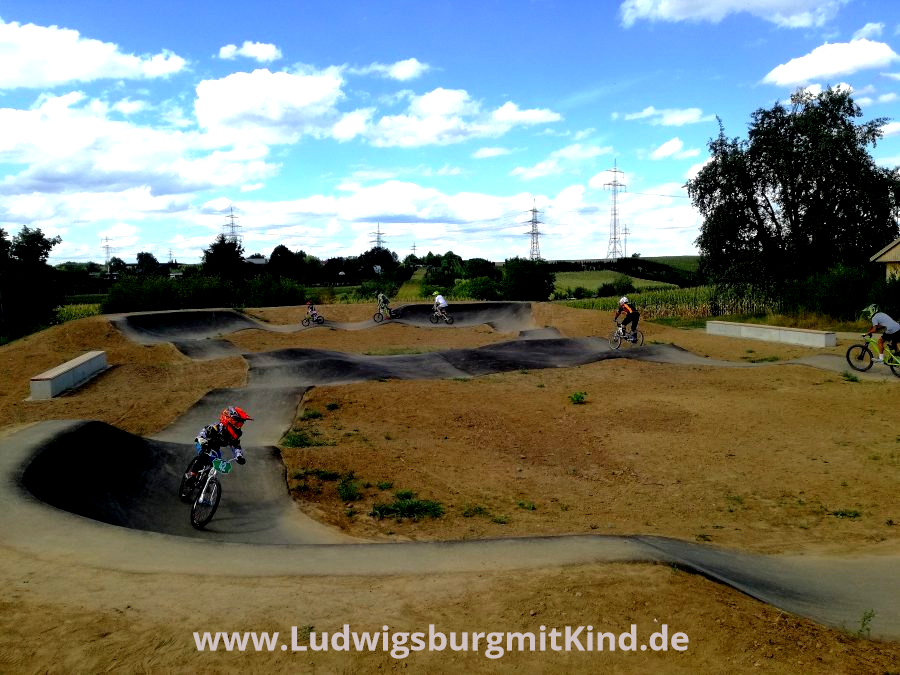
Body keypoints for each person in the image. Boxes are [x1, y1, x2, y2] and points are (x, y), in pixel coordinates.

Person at [182, 406, 253, 489]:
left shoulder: (235, 434)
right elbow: (203, 434)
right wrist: (204, 443)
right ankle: (192, 475)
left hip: (215, 448)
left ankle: (205, 481)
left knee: (216, 462)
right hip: (203, 441)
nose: (238, 426)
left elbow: (236, 446)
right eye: (237, 423)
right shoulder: (216, 428)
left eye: (241, 424)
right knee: (204, 455)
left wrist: (239, 456)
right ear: (228, 419)